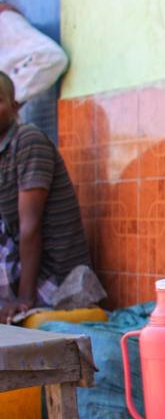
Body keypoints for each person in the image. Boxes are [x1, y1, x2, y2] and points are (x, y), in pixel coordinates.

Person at [0, 71, 100, 323]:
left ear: (14, 106)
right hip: (21, 267)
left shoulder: (28, 141)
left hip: (56, 276)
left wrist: (24, 298)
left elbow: (30, 227)